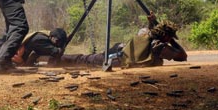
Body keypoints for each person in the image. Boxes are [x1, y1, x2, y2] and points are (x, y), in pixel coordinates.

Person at [52, 14, 187, 68]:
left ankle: (56, 58)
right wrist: (171, 41)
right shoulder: (159, 45)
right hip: (116, 58)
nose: (170, 40)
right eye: (169, 37)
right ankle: (53, 59)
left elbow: (150, 33)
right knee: (83, 60)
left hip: (116, 52)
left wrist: (153, 24)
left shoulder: (145, 32)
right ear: (165, 37)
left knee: (84, 59)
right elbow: (182, 56)